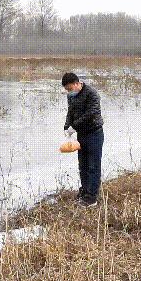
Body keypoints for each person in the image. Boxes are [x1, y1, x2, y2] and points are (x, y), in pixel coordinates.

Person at [62, 73, 104, 207]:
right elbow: (70, 112)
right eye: (67, 90)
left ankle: (92, 197)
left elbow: (92, 113)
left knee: (93, 166)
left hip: (94, 133)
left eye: (70, 88)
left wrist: (74, 126)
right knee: (83, 165)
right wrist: (67, 126)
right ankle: (85, 191)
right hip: (81, 135)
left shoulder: (92, 94)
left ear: (76, 83)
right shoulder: (71, 96)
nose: (69, 92)